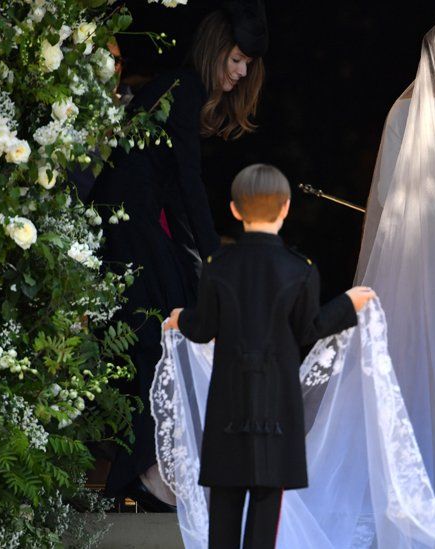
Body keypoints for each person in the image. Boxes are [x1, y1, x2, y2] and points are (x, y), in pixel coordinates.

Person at [91, 0, 269, 508]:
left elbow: (173, 187)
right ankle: (147, 475)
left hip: (135, 229)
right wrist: (212, 258)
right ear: (217, 50)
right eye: (235, 60)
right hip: (131, 232)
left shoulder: (175, 89)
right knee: (156, 343)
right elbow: (186, 183)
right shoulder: (183, 87)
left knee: (156, 343)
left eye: (247, 66)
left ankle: (147, 473)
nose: (238, 73)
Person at [165, 164, 375, 548]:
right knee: (266, 510)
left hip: (229, 408)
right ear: (286, 208)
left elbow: (204, 327)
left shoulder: (217, 266)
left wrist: (180, 318)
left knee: (224, 510)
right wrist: (347, 304)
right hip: (277, 410)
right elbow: (309, 330)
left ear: (234, 209)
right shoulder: (301, 269)